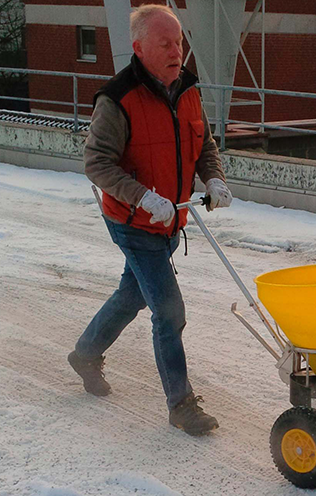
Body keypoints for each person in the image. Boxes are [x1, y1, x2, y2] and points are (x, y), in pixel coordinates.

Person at [67, 4, 232, 436]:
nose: (177, 50)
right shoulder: (117, 99)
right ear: (139, 48)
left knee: (133, 293)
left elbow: (204, 146)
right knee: (168, 309)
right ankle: (181, 405)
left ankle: (86, 352)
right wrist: (142, 198)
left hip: (171, 220)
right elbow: (97, 164)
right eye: (166, 43)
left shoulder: (189, 89)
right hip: (132, 221)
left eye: (179, 41)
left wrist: (213, 180)